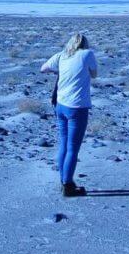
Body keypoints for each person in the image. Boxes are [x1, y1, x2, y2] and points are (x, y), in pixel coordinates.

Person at [41, 33, 98, 197]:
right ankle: (68, 186)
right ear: (85, 44)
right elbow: (94, 74)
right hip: (77, 107)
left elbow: (43, 68)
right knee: (73, 148)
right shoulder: (87, 54)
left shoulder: (62, 55)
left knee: (64, 144)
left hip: (60, 105)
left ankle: (64, 180)